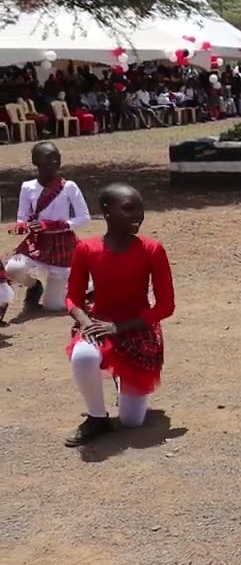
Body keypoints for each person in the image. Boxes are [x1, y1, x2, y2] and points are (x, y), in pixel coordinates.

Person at [63, 184, 175, 447]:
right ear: (106, 211)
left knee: (132, 421)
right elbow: (72, 299)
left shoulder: (152, 249)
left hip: (138, 329)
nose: (137, 215)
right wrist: (86, 322)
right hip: (100, 323)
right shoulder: (87, 249)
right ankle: (97, 417)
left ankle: (125, 383)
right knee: (83, 354)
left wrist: (121, 326)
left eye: (140, 209)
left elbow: (166, 306)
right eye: (128, 208)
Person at [5, 142, 91, 312]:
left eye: (56, 158)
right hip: (37, 242)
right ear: (35, 161)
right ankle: (34, 287)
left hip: (62, 244)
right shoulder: (27, 187)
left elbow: (84, 218)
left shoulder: (68, 187)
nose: (53, 162)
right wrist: (21, 227)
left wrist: (56, 225)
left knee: (53, 306)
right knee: (13, 268)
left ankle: (84, 289)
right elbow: (22, 218)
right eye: (47, 158)